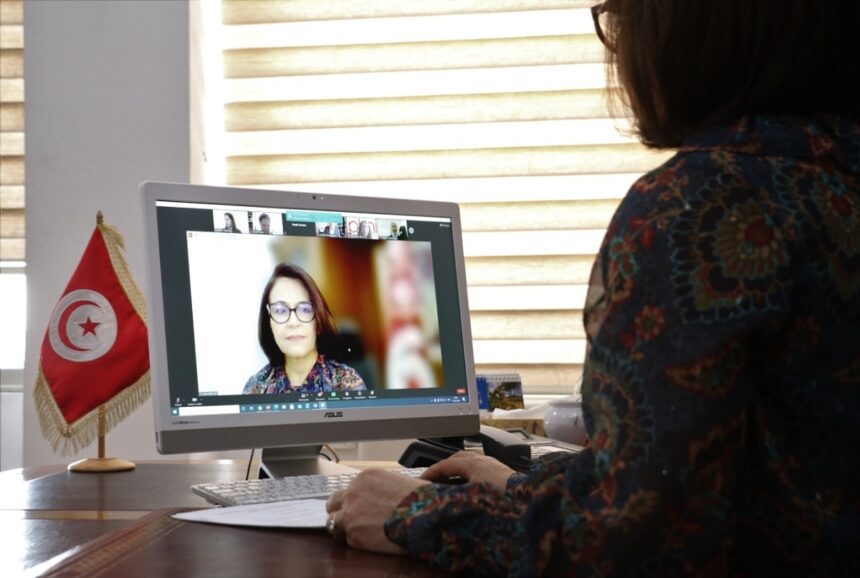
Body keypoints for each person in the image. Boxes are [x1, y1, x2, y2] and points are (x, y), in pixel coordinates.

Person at [325, 1, 860, 575]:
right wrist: (524, 485)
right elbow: (749, 477)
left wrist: (416, 512)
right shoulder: (835, 181)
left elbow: (633, 544)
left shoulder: (698, 207)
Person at [244, 263, 366, 394]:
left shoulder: (346, 384)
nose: (293, 322)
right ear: (269, 324)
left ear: (318, 322)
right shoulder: (256, 387)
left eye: (305, 309)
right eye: (280, 310)